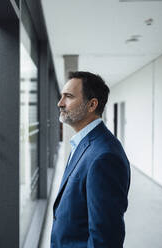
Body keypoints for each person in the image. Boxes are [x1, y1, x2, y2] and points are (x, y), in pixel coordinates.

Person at [51, 71, 131, 248]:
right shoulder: (83, 142)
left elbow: (105, 239)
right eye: (61, 96)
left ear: (92, 104)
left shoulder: (105, 157)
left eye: (68, 97)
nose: (60, 103)